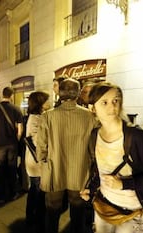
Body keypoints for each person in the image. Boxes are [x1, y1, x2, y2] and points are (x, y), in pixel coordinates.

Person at [79, 82, 143, 233]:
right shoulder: (94, 135)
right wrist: (90, 188)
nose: (112, 107)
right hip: (105, 207)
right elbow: (100, 170)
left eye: (116, 101)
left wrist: (124, 184)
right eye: (104, 102)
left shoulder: (137, 137)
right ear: (92, 108)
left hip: (133, 211)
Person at [36, 78, 97, 233]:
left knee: (52, 211)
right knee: (78, 213)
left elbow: (41, 147)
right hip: (80, 171)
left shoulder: (47, 116)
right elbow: (93, 147)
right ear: (78, 93)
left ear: (60, 94)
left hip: (54, 170)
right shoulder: (90, 116)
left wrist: (43, 162)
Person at [0, 87, 23, 203]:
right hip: (12, 144)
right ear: (11, 95)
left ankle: (0, 195)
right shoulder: (16, 109)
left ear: (3, 95)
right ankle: (13, 193)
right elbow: (20, 129)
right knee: (12, 169)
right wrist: (16, 139)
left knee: (0, 170)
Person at [24, 91, 51, 232]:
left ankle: (33, 218)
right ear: (40, 103)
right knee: (37, 190)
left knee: (35, 190)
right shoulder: (35, 119)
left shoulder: (38, 117)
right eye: (47, 100)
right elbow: (37, 141)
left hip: (35, 161)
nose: (50, 102)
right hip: (36, 162)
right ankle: (35, 219)